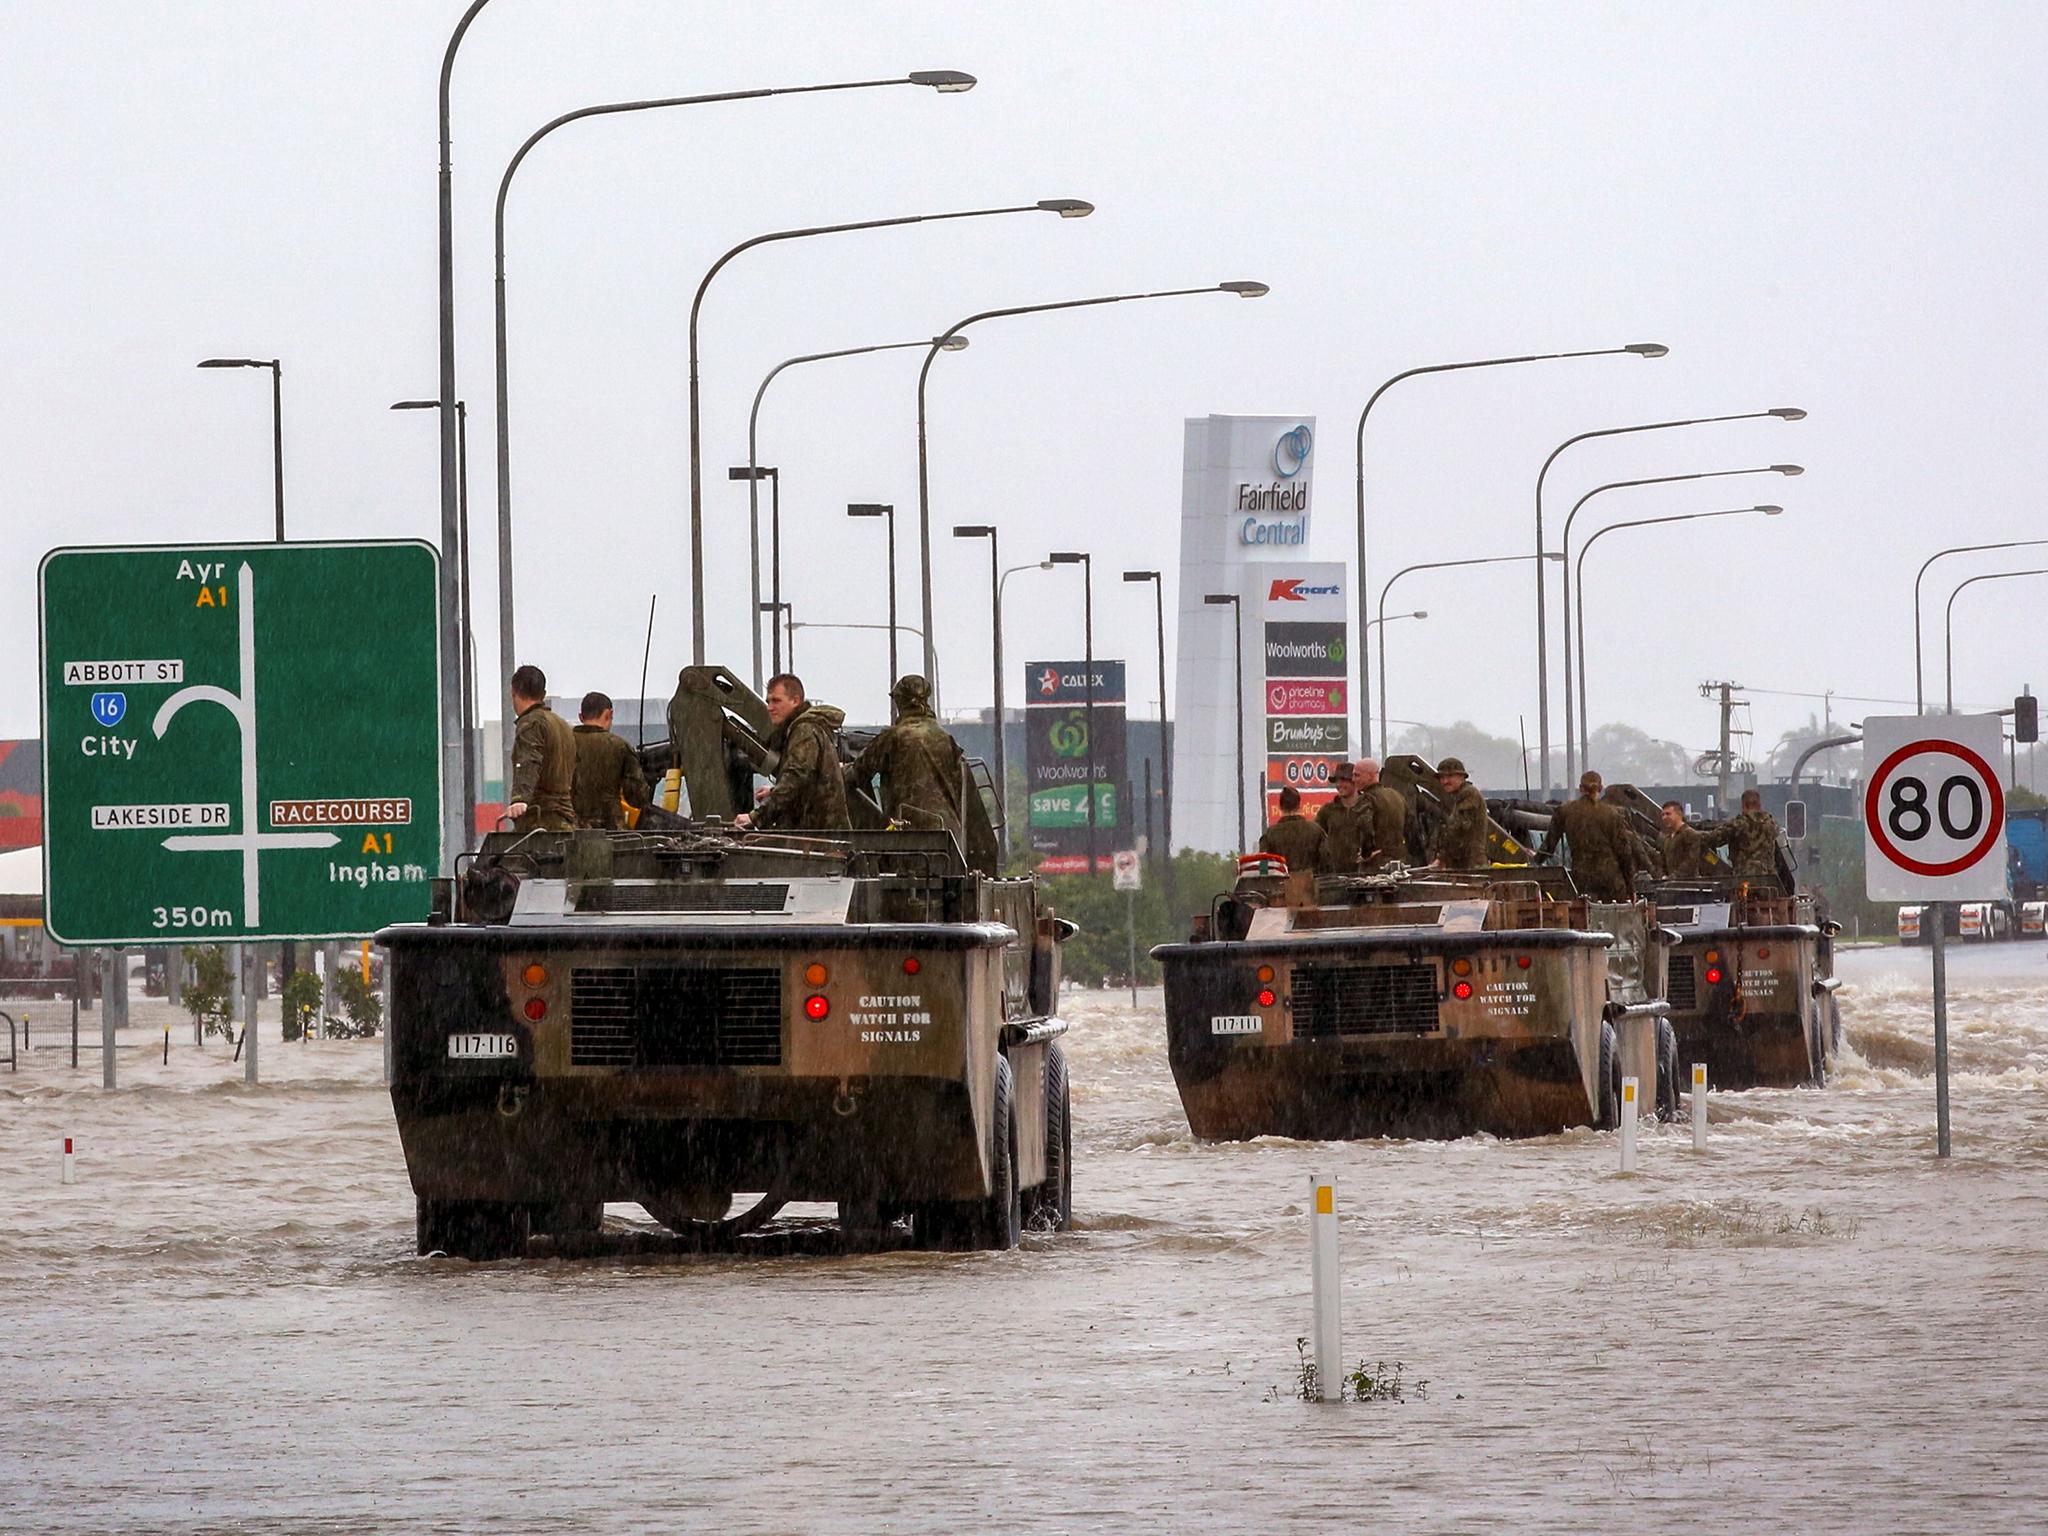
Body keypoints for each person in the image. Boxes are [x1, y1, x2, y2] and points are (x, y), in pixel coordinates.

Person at [845, 674, 967, 839]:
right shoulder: (946, 739)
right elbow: (959, 788)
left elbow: (858, 772)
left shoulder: (894, 737)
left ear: (900, 702)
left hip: (908, 835)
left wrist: (838, 771)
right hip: (948, 834)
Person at [735, 672, 850, 832]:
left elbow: (796, 778)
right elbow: (806, 782)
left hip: (818, 836)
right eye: (768, 701)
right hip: (817, 833)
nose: (769, 707)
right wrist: (774, 792)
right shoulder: (801, 730)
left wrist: (756, 817)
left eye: (776, 701)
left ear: (795, 701)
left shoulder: (804, 731)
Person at [1536, 770, 1639, 900]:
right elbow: (1624, 853)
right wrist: (1630, 887)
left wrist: (1535, 860)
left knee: (1584, 911)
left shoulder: (1565, 811)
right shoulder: (1612, 814)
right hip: (1611, 882)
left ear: (1580, 788)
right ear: (1600, 788)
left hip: (1582, 881)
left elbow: (1548, 846)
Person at [505, 664, 575, 832]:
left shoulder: (531, 723)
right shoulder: (563, 726)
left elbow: (529, 759)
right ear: (543, 694)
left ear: (513, 692)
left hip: (540, 822)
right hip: (565, 821)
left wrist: (520, 798)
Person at [571, 690, 651, 830]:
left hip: (570, 828)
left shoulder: (563, 743)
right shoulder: (620, 746)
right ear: (609, 714)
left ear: (580, 716)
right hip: (610, 828)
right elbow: (637, 798)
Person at [1428, 756, 1491, 870]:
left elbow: (1458, 828)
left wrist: (1441, 858)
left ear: (1462, 777)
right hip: (1463, 864)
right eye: (1442, 777)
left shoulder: (1469, 794)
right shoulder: (1456, 797)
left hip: (1471, 865)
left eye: (1450, 776)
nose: (1445, 781)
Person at [1720, 788, 1786, 887]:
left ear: (1744, 805)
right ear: (1759, 805)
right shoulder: (1771, 825)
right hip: (1768, 882)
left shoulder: (1738, 825)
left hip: (1742, 883)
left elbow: (1714, 838)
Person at [1357, 756, 1411, 870]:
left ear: (1370, 775)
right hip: (1399, 861)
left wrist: (1366, 854)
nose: (1354, 779)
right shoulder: (1397, 796)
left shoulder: (1366, 798)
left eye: (1357, 775)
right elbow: (1411, 829)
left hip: (1376, 864)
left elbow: (1366, 829)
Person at [1258, 785, 1327, 874]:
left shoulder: (1269, 834)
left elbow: (1263, 868)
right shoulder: (1316, 831)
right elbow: (1327, 863)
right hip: (1310, 881)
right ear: (1299, 805)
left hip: (1281, 882)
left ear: (1280, 807)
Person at [1313, 762, 1367, 872]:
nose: (1339, 785)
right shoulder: (1327, 810)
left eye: (1343, 780)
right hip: (1334, 872)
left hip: (1364, 872)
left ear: (1354, 782)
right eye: (1337, 781)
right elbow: (1315, 837)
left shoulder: (1368, 807)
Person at [1658, 800, 1723, 878]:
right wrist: (1663, 876)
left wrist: (1674, 876)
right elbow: (1662, 862)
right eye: (1663, 815)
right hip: (1671, 882)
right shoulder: (1667, 839)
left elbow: (1691, 862)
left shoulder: (1690, 834)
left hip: (1688, 882)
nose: (1664, 817)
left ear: (1679, 814)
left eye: (1668, 814)